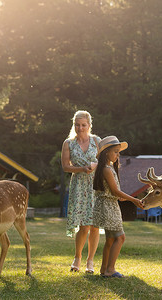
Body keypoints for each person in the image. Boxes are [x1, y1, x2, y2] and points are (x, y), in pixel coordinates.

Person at [92, 136, 144, 278]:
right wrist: (133, 199)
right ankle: (110, 270)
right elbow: (115, 191)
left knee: (110, 239)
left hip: (108, 204)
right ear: (106, 153)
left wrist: (120, 196)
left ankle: (104, 269)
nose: (118, 154)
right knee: (120, 238)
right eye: (115, 151)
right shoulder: (107, 169)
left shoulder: (107, 168)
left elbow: (113, 192)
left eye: (118, 152)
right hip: (108, 207)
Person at [61, 110, 101, 273]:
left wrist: (95, 166)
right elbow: (65, 167)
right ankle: (77, 258)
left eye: (83, 125)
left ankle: (90, 261)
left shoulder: (97, 141)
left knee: (95, 225)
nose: (80, 128)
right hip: (78, 184)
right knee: (84, 226)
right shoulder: (68, 143)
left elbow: (107, 162)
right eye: (77, 125)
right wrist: (82, 169)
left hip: (95, 185)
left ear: (89, 125)